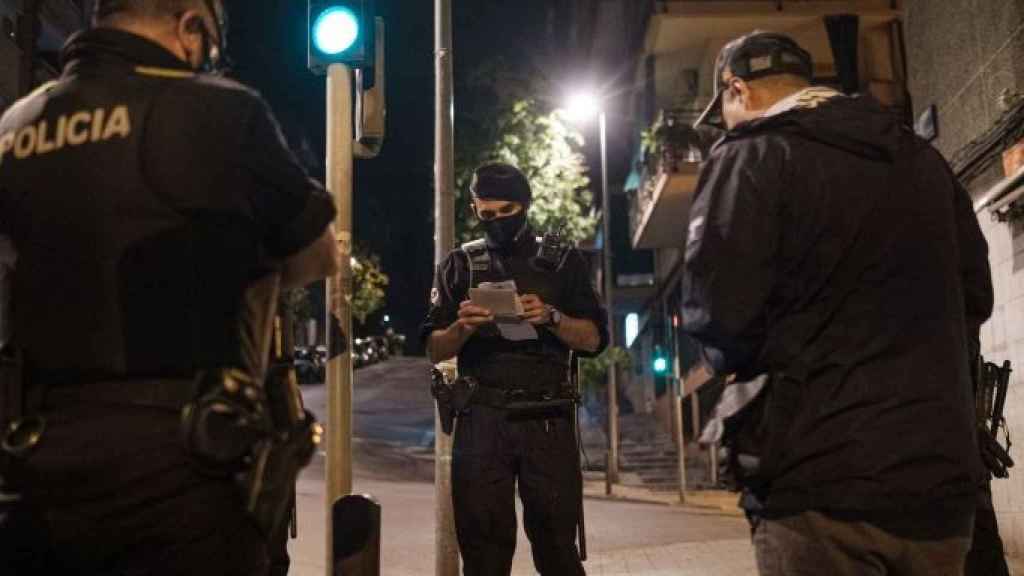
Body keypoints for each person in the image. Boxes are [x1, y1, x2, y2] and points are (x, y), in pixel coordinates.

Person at [0, 0, 339, 573]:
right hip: (180, 468)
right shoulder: (218, 111)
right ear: (189, 28)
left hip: (36, 462)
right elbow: (317, 254)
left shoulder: (14, 127)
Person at [683, 31, 993, 575]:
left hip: (818, 482)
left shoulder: (751, 155)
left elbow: (719, 318)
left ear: (738, 91)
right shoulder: (921, 159)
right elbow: (976, 295)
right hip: (937, 484)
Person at [423, 162, 607, 575]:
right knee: (483, 554)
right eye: (486, 214)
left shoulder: (561, 261)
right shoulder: (460, 265)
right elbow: (434, 348)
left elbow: (594, 338)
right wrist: (462, 328)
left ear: (524, 205)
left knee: (558, 551)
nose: (497, 222)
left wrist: (552, 318)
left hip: (547, 418)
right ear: (474, 210)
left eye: (506, 211)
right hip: (482, 419)